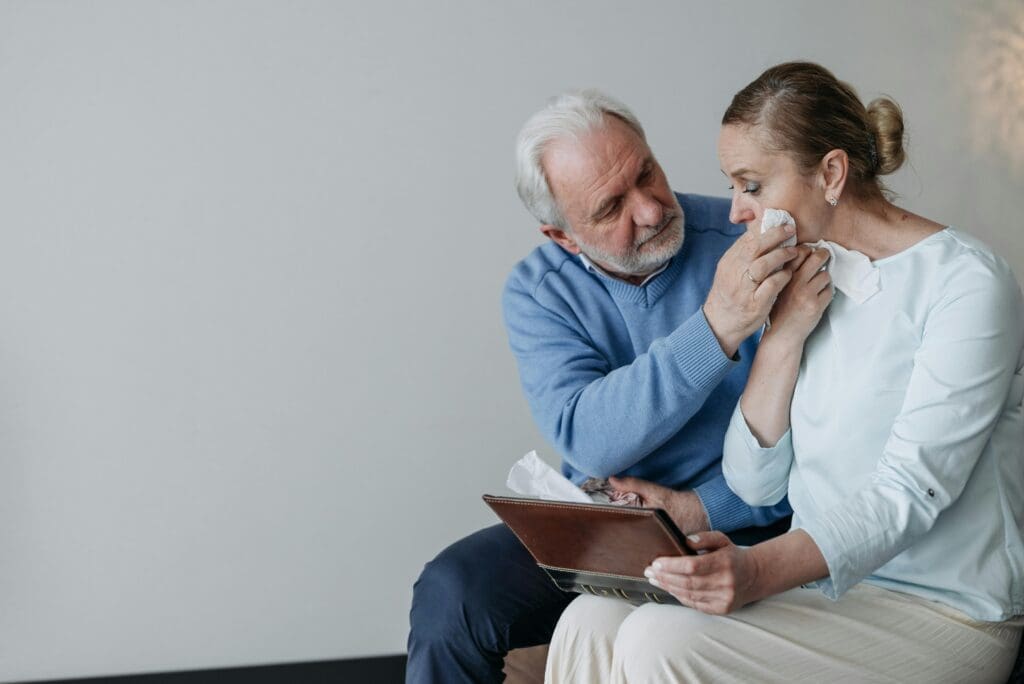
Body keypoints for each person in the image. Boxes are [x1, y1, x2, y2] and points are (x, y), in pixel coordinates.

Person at [545, 61, 1024, 683]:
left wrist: (756, 570)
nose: (738, 212)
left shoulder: (966, 283)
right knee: (590, 619)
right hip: (828, 593)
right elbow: (754, 486)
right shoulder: (805, 276)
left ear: (830, 173)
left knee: (663, 639)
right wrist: (783, 340)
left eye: (751, 185)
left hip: (944, 610)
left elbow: (911, 491)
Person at [405, 90, 796, 683]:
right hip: (607, 532)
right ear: (562, 235)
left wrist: (696, 508)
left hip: (746, 522)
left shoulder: (752, 245)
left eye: (647, 174)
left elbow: (823, 440)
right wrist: (717, 326)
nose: (648, 209)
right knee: (452, 591)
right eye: (610, 207)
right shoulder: (539, 290)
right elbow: (590, 439)